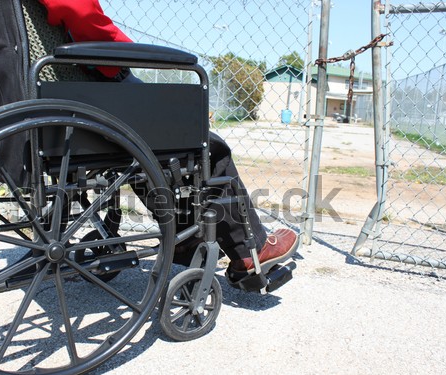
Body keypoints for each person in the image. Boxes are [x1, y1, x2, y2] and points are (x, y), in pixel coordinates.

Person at [35, 0, 300, 281]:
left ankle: (185, 237)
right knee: (209, 148)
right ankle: (249, 250)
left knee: (145, 150)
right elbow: (81, 14)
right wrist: (129, 54)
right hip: (94, 95)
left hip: (55, 108)